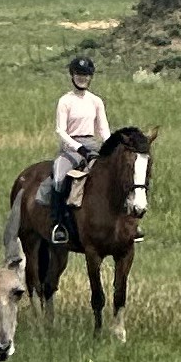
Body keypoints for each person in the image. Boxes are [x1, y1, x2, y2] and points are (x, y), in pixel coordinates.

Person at [50, 50, 109, 241]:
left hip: (93, 144)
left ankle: (125, 222)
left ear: (90, 77)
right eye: (78, 75)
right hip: (71, 147)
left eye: (85, 75)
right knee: (59, 177)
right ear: (72, 76)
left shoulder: (96, 101)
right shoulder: (65, 101)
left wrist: (109, 147)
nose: (82, 79)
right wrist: (78, 148)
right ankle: (58, 223)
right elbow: (60, 130)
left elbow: (103, 129)